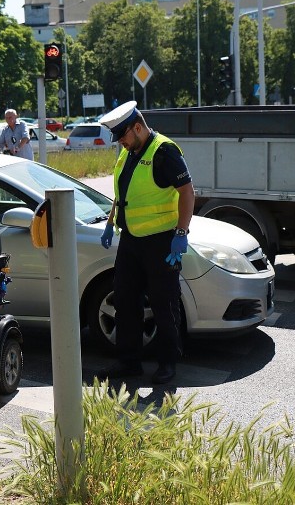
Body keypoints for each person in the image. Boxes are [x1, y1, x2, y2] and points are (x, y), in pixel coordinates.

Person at [97, 101, 195, 384]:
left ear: (137, 127)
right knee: (125, 302)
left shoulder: (164, 152)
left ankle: (168, 363)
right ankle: (129, 362)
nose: (121, 143)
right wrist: (109, 222)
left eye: (123, 137)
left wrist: (181, 234)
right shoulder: (129, 152)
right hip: (130, 241)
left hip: (161, 243)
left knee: (164, 304)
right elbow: (123, 191)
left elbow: (188, 193)